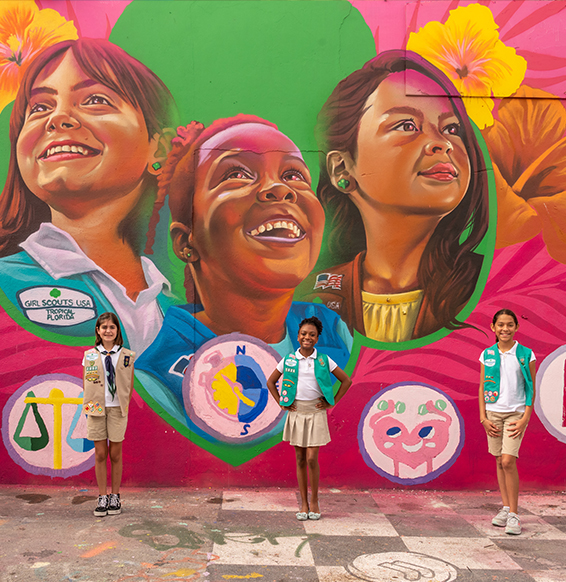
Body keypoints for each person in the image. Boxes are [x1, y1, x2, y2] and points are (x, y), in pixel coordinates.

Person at [135, 117, 352, 434]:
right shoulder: (159, 377)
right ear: (186, 242)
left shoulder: (334, 333)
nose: (280, 189)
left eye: (293, 174)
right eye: (236, 174)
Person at [297, 50, 489, 343]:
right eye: (407, 126)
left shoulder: (486, 284)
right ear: (342, 169)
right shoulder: (312, 296)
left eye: (451, 129)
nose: (442, 143)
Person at [0, 39, 178, 353]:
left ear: (158, 148)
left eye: (95, 99)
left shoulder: (181, 309)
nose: (57, 118)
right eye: (40, 107)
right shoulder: (5, 285)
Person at [266, 316, 352, 519]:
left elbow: (346, 380)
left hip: (316, 412)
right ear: (297, 336)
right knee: (300, 458)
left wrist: (332, 402)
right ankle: (303, 504)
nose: (307, 337)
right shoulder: (288, 360)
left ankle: (315, 501)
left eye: (312, 335)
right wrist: (282, 401)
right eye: (304, 334)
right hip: (297, 412)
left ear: (317, 338)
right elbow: (271, 382)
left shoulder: (323, 360)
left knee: (312, 458)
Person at [479, 308, 536, 535]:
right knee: (498, 461)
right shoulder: (487, 354)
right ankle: (504, 508)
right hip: (493, 414)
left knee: (508, 461)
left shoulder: (525, 354)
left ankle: (514, 514)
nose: (505, 329)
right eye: (500, 324)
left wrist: (525, 418)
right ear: (493, 327)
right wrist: (483, 417)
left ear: (516, 327)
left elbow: (531, 386)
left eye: (510, 324)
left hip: (515, 415)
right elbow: (482, 386)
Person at [83, 312, 135, 517]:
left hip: (117, 409)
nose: (108, 330)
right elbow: (87, 383)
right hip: (96, 408)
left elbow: (128, 384)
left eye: (112, 327)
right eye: (104, 327)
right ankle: (102, 496)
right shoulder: (89, 355)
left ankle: (115, 496)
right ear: (98, 330)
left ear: (117, 331)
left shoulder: (127, 356)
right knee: (100, 453)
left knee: (115, 453)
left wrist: (123, 405)